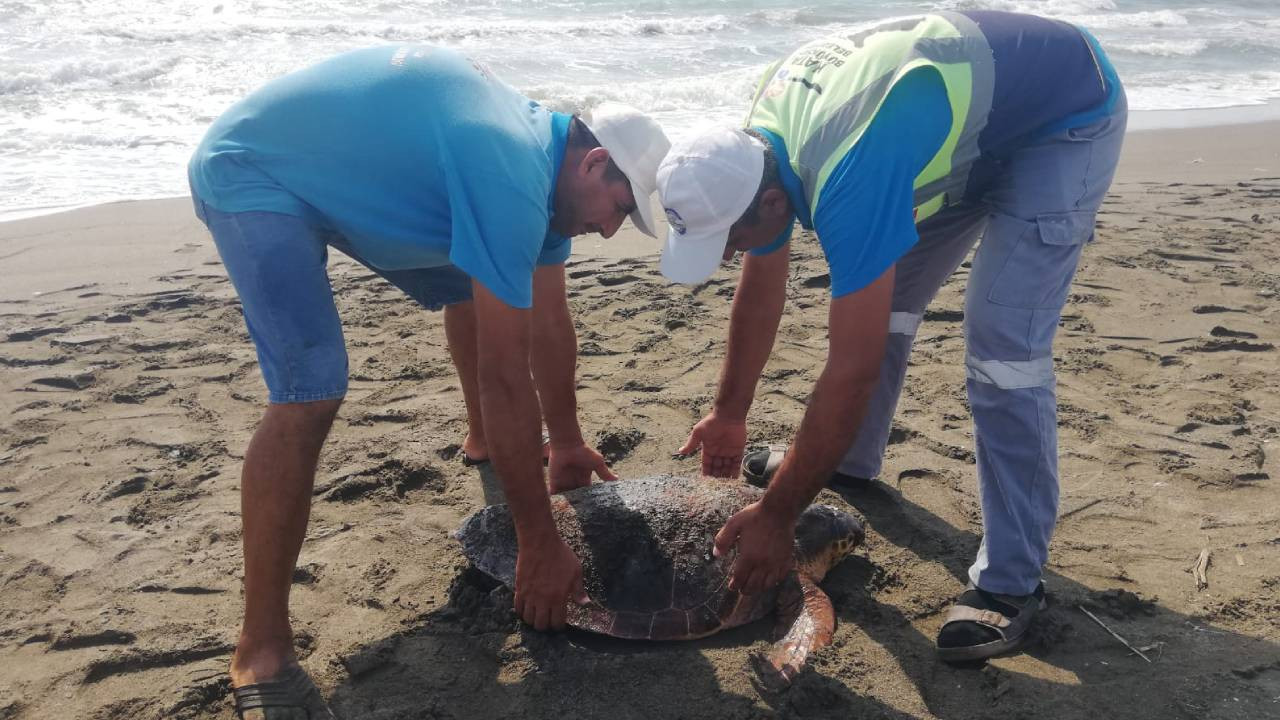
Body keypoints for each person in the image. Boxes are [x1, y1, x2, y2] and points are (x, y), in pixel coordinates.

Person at [188, 45, 670, 716]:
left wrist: (563, 443)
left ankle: (482, 438)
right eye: (620, 207)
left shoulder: (550, 182)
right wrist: (537, 542)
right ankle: (261, 649)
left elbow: (550, 328)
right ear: (593, 161)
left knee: (480, 290)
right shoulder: (510, 169)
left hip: (349, 177)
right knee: (311, 388)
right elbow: (507, 374)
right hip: (253, 170)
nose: (612, 230)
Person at [657, 11, 1125, 662]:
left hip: (1062, 118)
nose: (730, 255)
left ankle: (1012, 584)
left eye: (727, 239)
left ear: (766, 204)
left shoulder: (849, 173)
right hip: (961, 133)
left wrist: (779, 515)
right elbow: (763, 278)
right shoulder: (754, 148)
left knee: (1001, 352)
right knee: (895, 301)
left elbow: (853, 366)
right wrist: (728, 412)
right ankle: (849, 462)